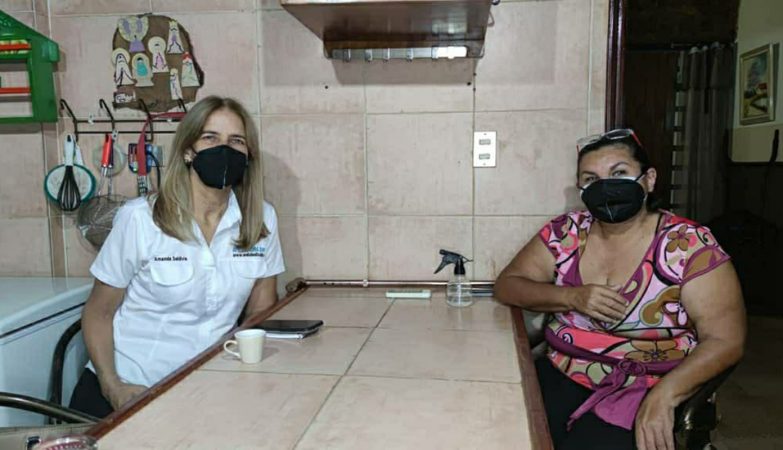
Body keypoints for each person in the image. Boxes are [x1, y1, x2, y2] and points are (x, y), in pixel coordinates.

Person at [494, 129, 745, 450]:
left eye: (619, 173)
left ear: (649, 179)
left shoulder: (687, 245)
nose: (606, 187)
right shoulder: (566, 232)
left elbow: (726, 340)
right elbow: (508, 285)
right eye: (591, 178)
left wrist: (665, 396)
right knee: (506, 430)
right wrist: (571, 296)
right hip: (564, 368)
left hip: (650, 381)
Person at [70, 96, 285, 418]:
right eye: (210, 137)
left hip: (209, 389)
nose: (223, 150)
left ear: (248, 155)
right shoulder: (140, 218)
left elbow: (260, 311)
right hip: (132, 386)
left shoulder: (262, 219)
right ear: (188, 151)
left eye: (236, 141)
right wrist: (112, 385)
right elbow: (98, 312)